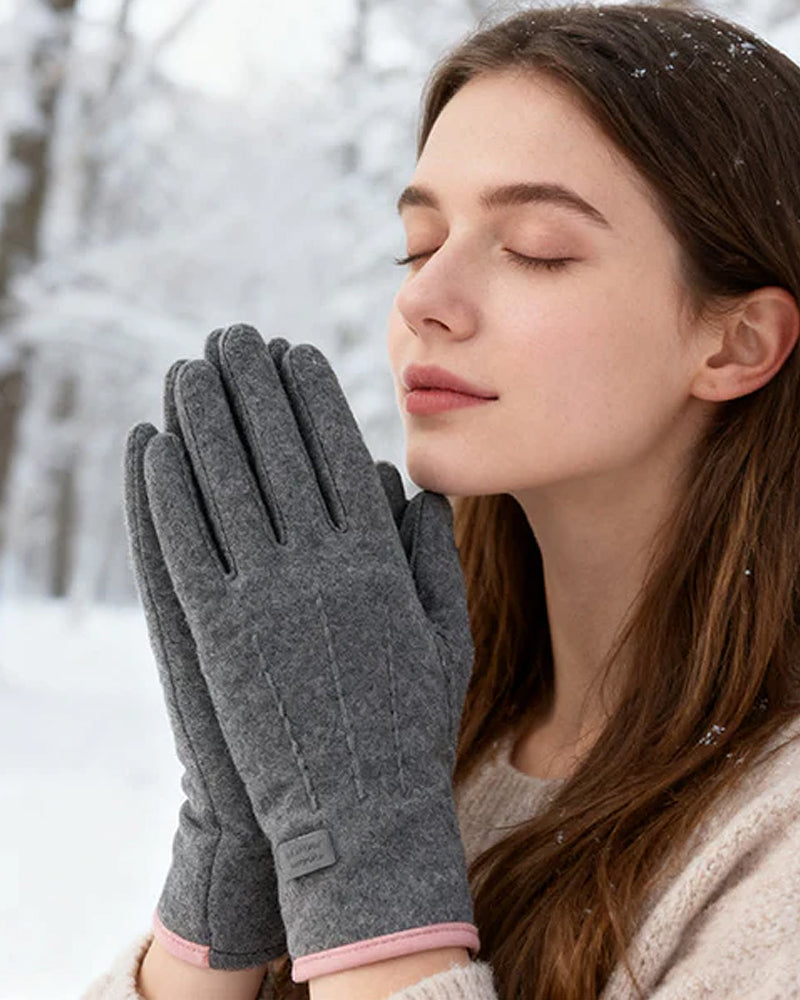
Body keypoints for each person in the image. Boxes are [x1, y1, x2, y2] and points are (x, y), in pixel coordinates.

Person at [81, 3, 800, 999]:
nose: (425, 299)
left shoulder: (775, 841)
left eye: (537, 247)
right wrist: (231, 854)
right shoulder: (412, 722)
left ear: (735, 343)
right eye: (418, 246)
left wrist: (373, 877)